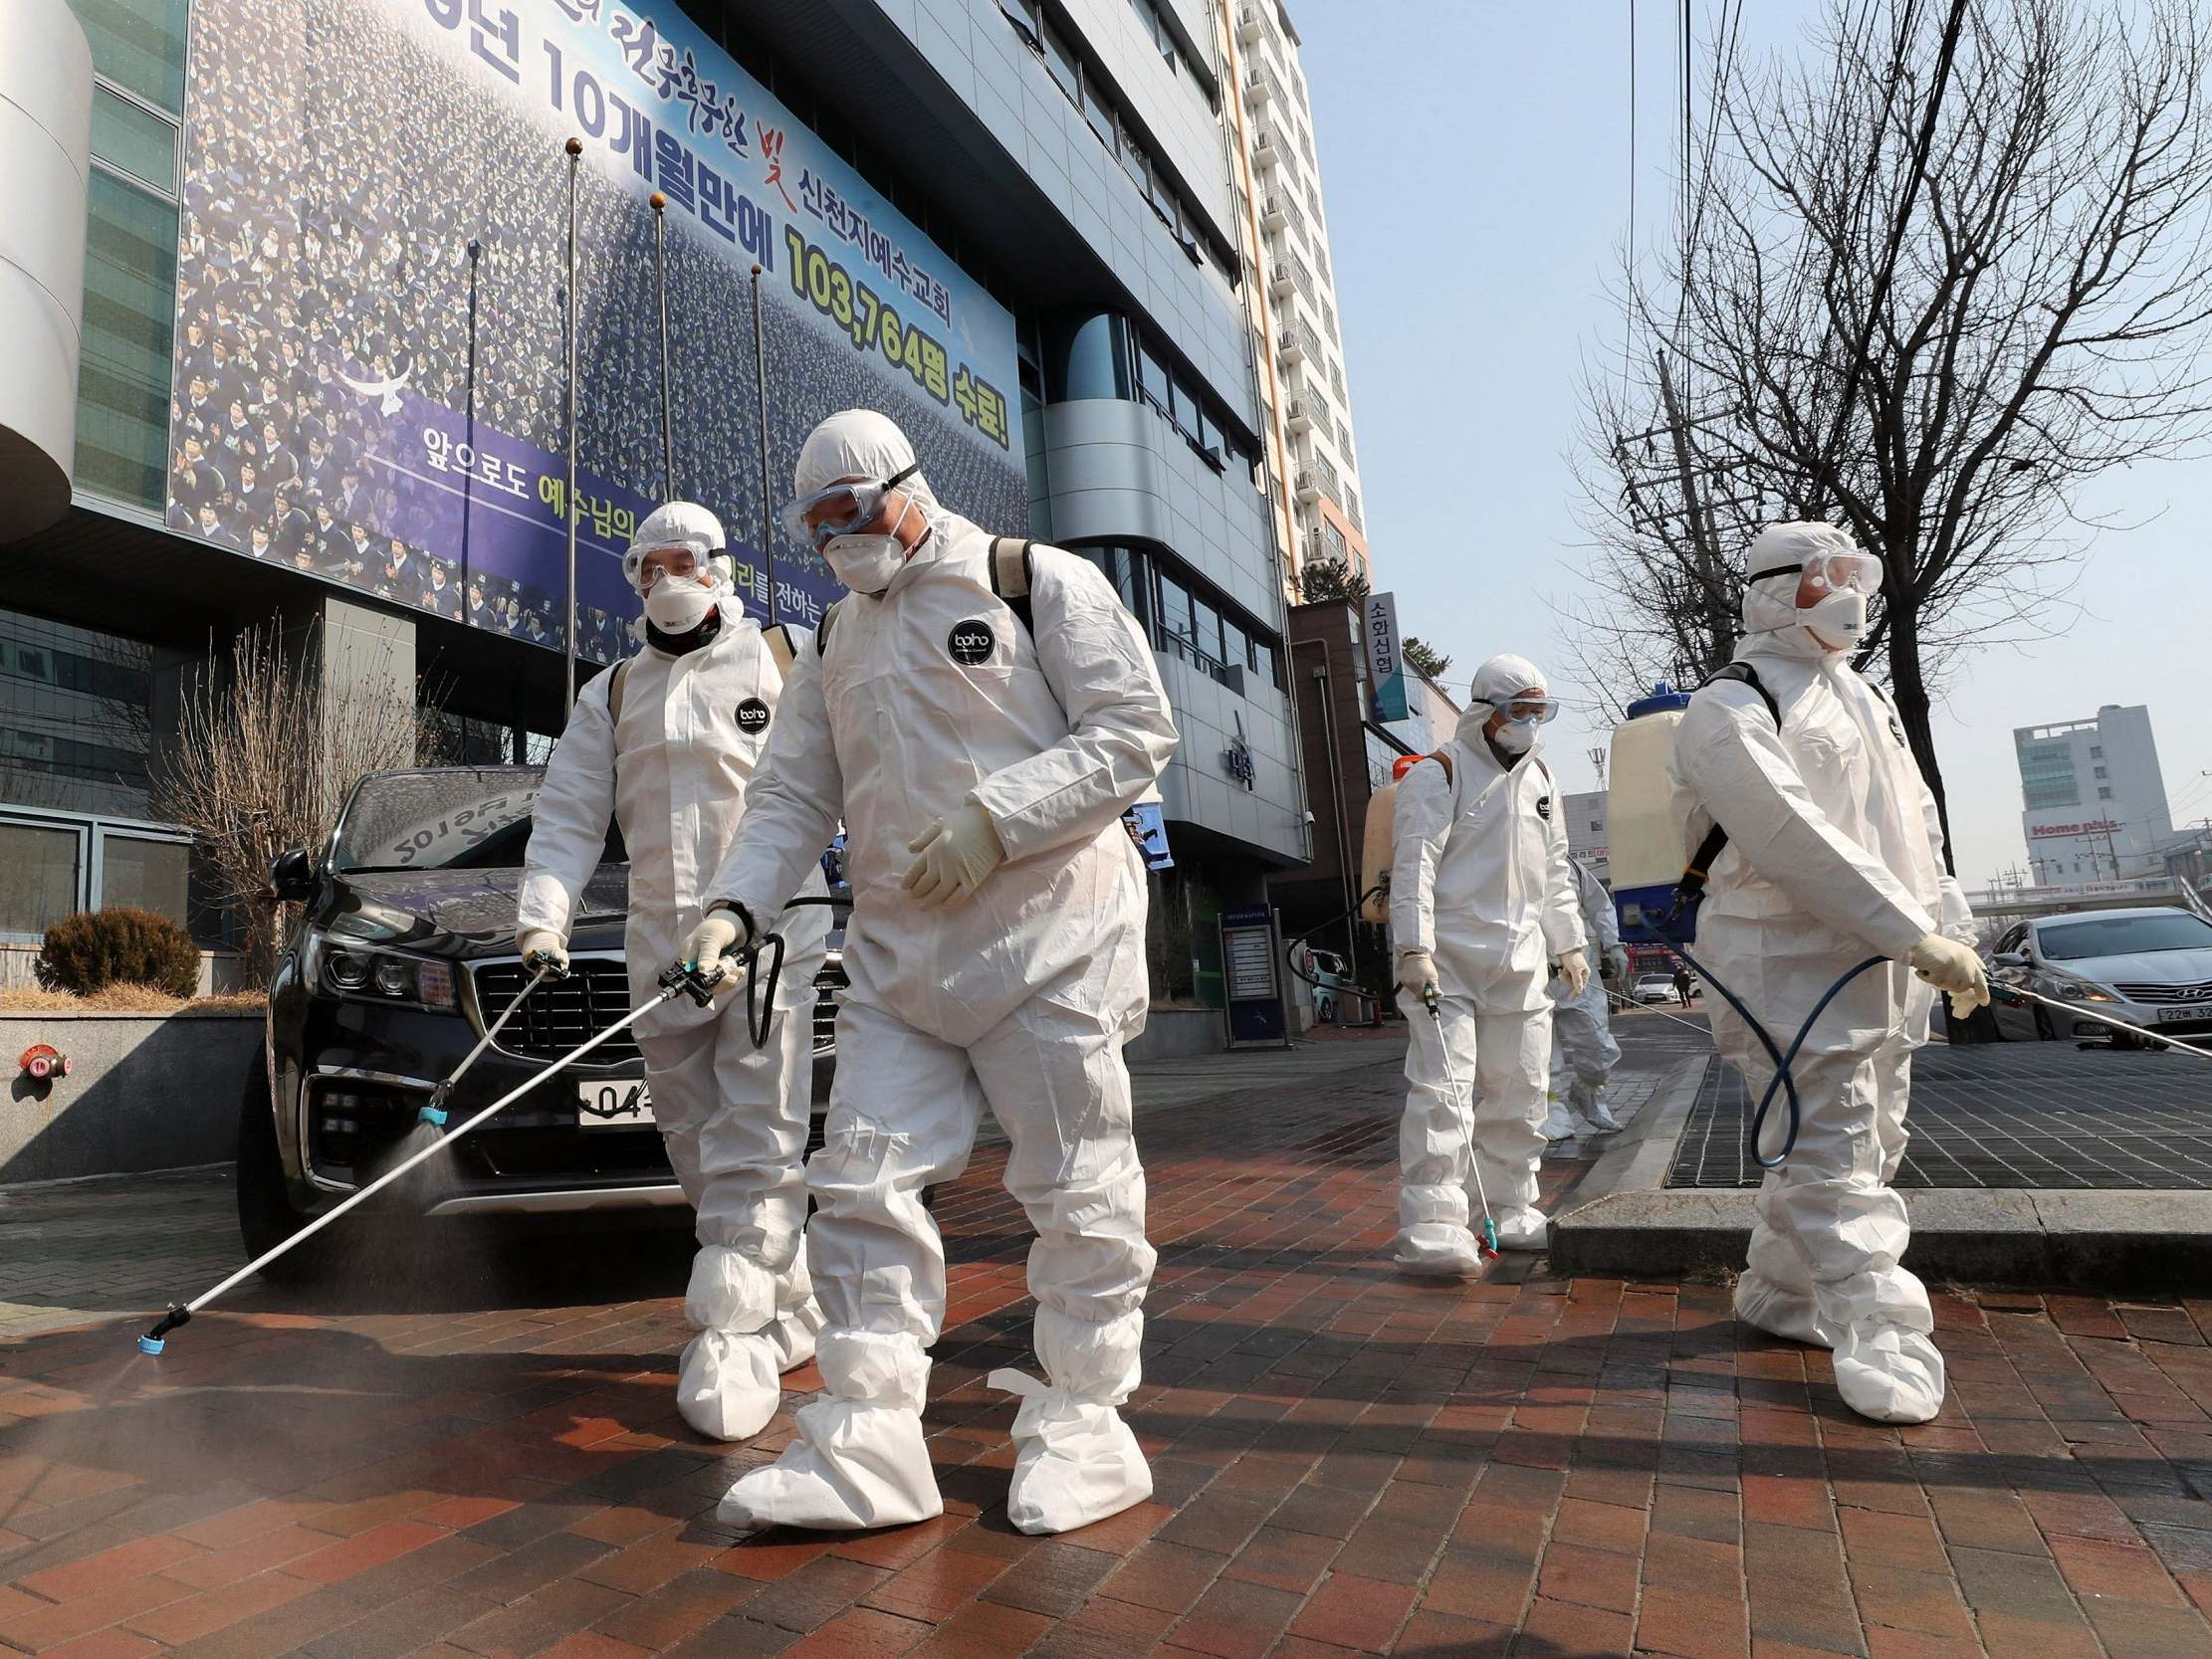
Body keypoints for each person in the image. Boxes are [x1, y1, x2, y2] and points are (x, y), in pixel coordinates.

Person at [685, 408, 1177, 1536]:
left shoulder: (1027, 579)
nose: (835, 539)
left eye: (848, 512)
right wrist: (729, 909)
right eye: (813, 526)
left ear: (903, 486)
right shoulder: (832, 641)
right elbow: (789, 796)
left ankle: (1087, 1420)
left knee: (1078, 1187)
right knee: (856, 1180)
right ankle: (866, 1440)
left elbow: (1132, 729)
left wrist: (996, 820)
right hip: (901, 962)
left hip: (1048, 938)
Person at [516, 502, 828, 1444]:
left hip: (771, 935)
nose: (661, 580)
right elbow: (568, 814)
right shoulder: (611, 694)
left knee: (759, 1135)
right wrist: (543, 921)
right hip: (661, 952)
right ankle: (793, 1298)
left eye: (679, 560)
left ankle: (730, 1337)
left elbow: (848, 772)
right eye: (643, 567)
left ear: (721, 565)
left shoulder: (786, 657)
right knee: (695, 1146)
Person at [1670, 521, 1987, 1425]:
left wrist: (1947, 928)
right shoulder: (1728, 707)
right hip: (1788, 968)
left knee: (1864, 1141)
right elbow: (1788, 836)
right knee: (1835, 1153)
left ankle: (1780, 1292)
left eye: (1854, 576)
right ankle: (1881, 1334)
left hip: (1884, 965)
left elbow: (1917, 828)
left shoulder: (1867, 700)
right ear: (1774, 589)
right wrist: (1910, 932)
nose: (1846, 594)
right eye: (1823, 578)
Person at [1390, 654, 1587, 1270]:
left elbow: (1555, 872)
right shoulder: (1439, 774)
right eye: (1518, 711)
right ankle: (1432, 1224)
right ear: (1485, 711)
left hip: (1521, 961)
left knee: (1522, 1090)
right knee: (1443, 1093)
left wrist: (1568, 942)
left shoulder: (1542, 781)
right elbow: (1414, 865)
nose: (1529, 723)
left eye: (1538, 712)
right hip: (1447, 962)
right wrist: (1413, 947)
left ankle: (1510, 1207)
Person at [1540, 858, 1630, 1141]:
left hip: (1577, 973)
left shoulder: (1571, 867)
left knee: (1597, 1044)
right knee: (1539, 1050)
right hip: (1530, 974)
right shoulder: (1501, 857)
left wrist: (1614, 944)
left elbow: (1600, 905)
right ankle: (1551, 1108)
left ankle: (1589, 1092)